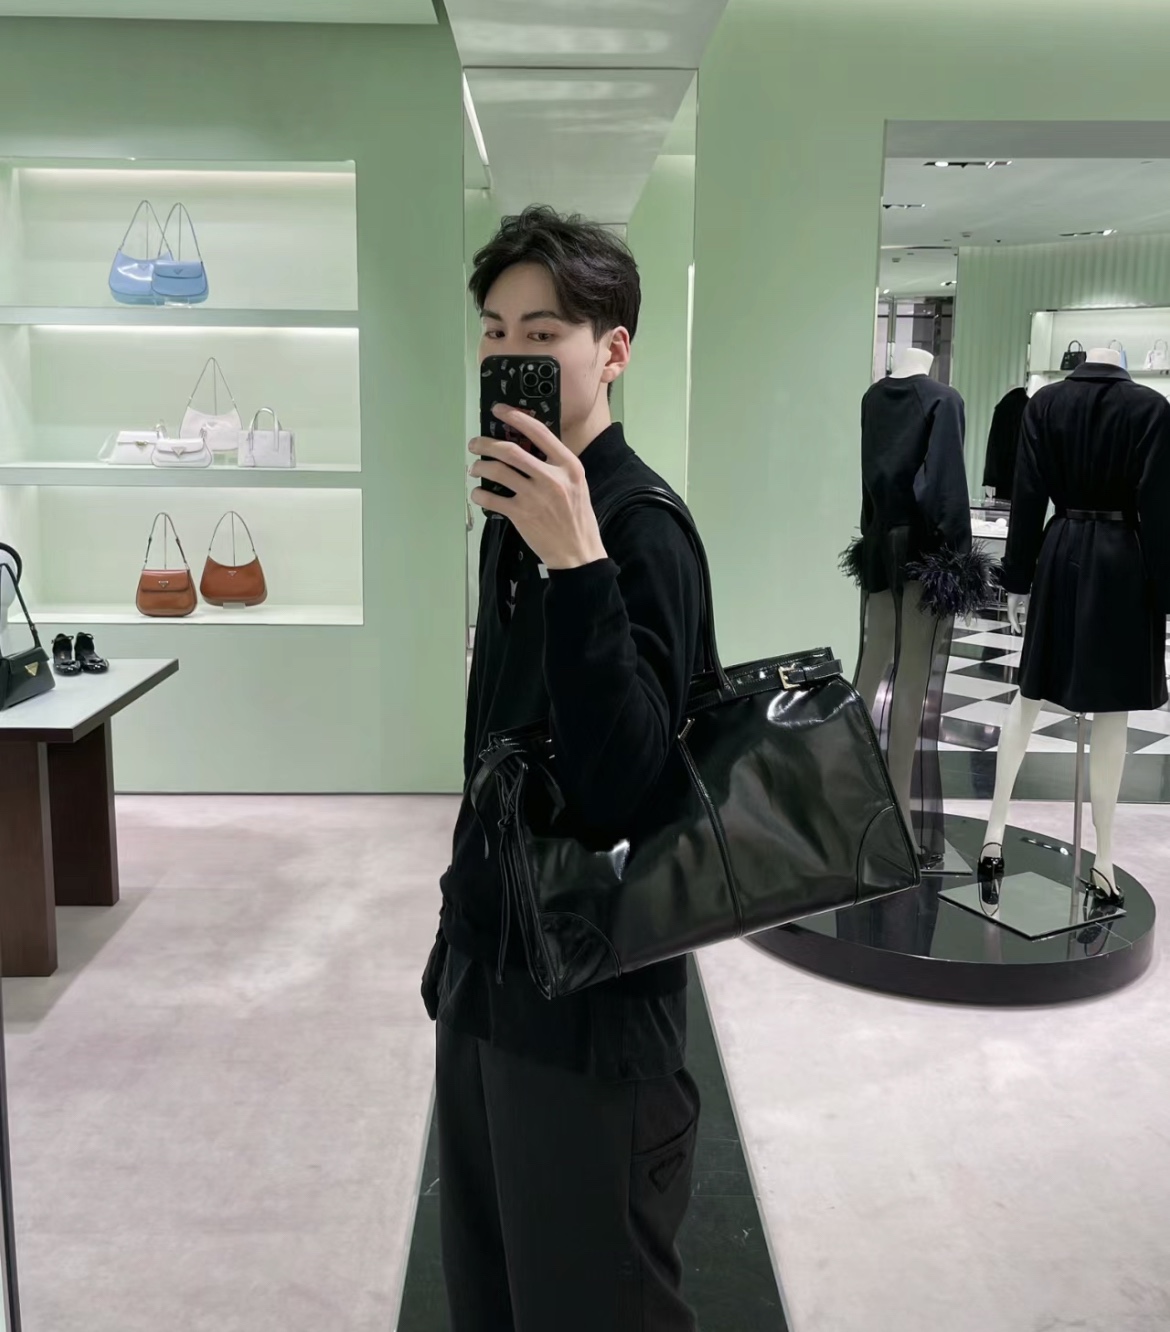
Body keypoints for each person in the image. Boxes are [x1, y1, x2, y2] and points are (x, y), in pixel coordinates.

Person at [420, 205, 705, 1331]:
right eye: (494, 333)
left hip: (594, 1006)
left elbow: (628, 792)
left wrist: (581, 568)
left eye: (542, 334)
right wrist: (460, 934)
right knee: (489, 1289)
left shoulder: (640, 529)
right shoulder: (514, 509)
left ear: (612, 350)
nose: (510, 355)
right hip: (492, 977)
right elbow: (493, 749)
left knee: (594, 1304)